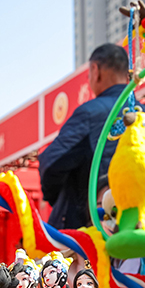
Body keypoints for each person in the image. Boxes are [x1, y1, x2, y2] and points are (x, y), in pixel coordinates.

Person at [39, 44, 131, 230]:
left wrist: (65, 198)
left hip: (91, 229)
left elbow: (51, 162)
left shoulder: (89, 113)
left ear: (96, 71)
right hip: (142, 228)